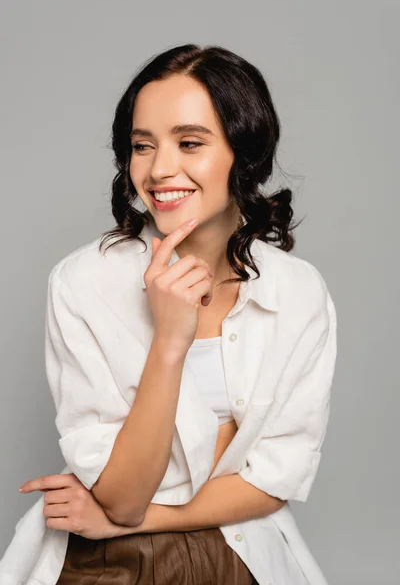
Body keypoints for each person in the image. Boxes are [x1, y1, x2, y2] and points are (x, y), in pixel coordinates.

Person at [0, 44, 337, 585]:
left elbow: (274, 479)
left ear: (242, 154)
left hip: (245, 555)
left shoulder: (298, 292)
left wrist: (124, 517)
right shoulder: (84, 283)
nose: (159, 169)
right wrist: (170, 343)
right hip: (107, 568)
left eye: (190, 143)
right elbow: (125, 494)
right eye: (141, 145)